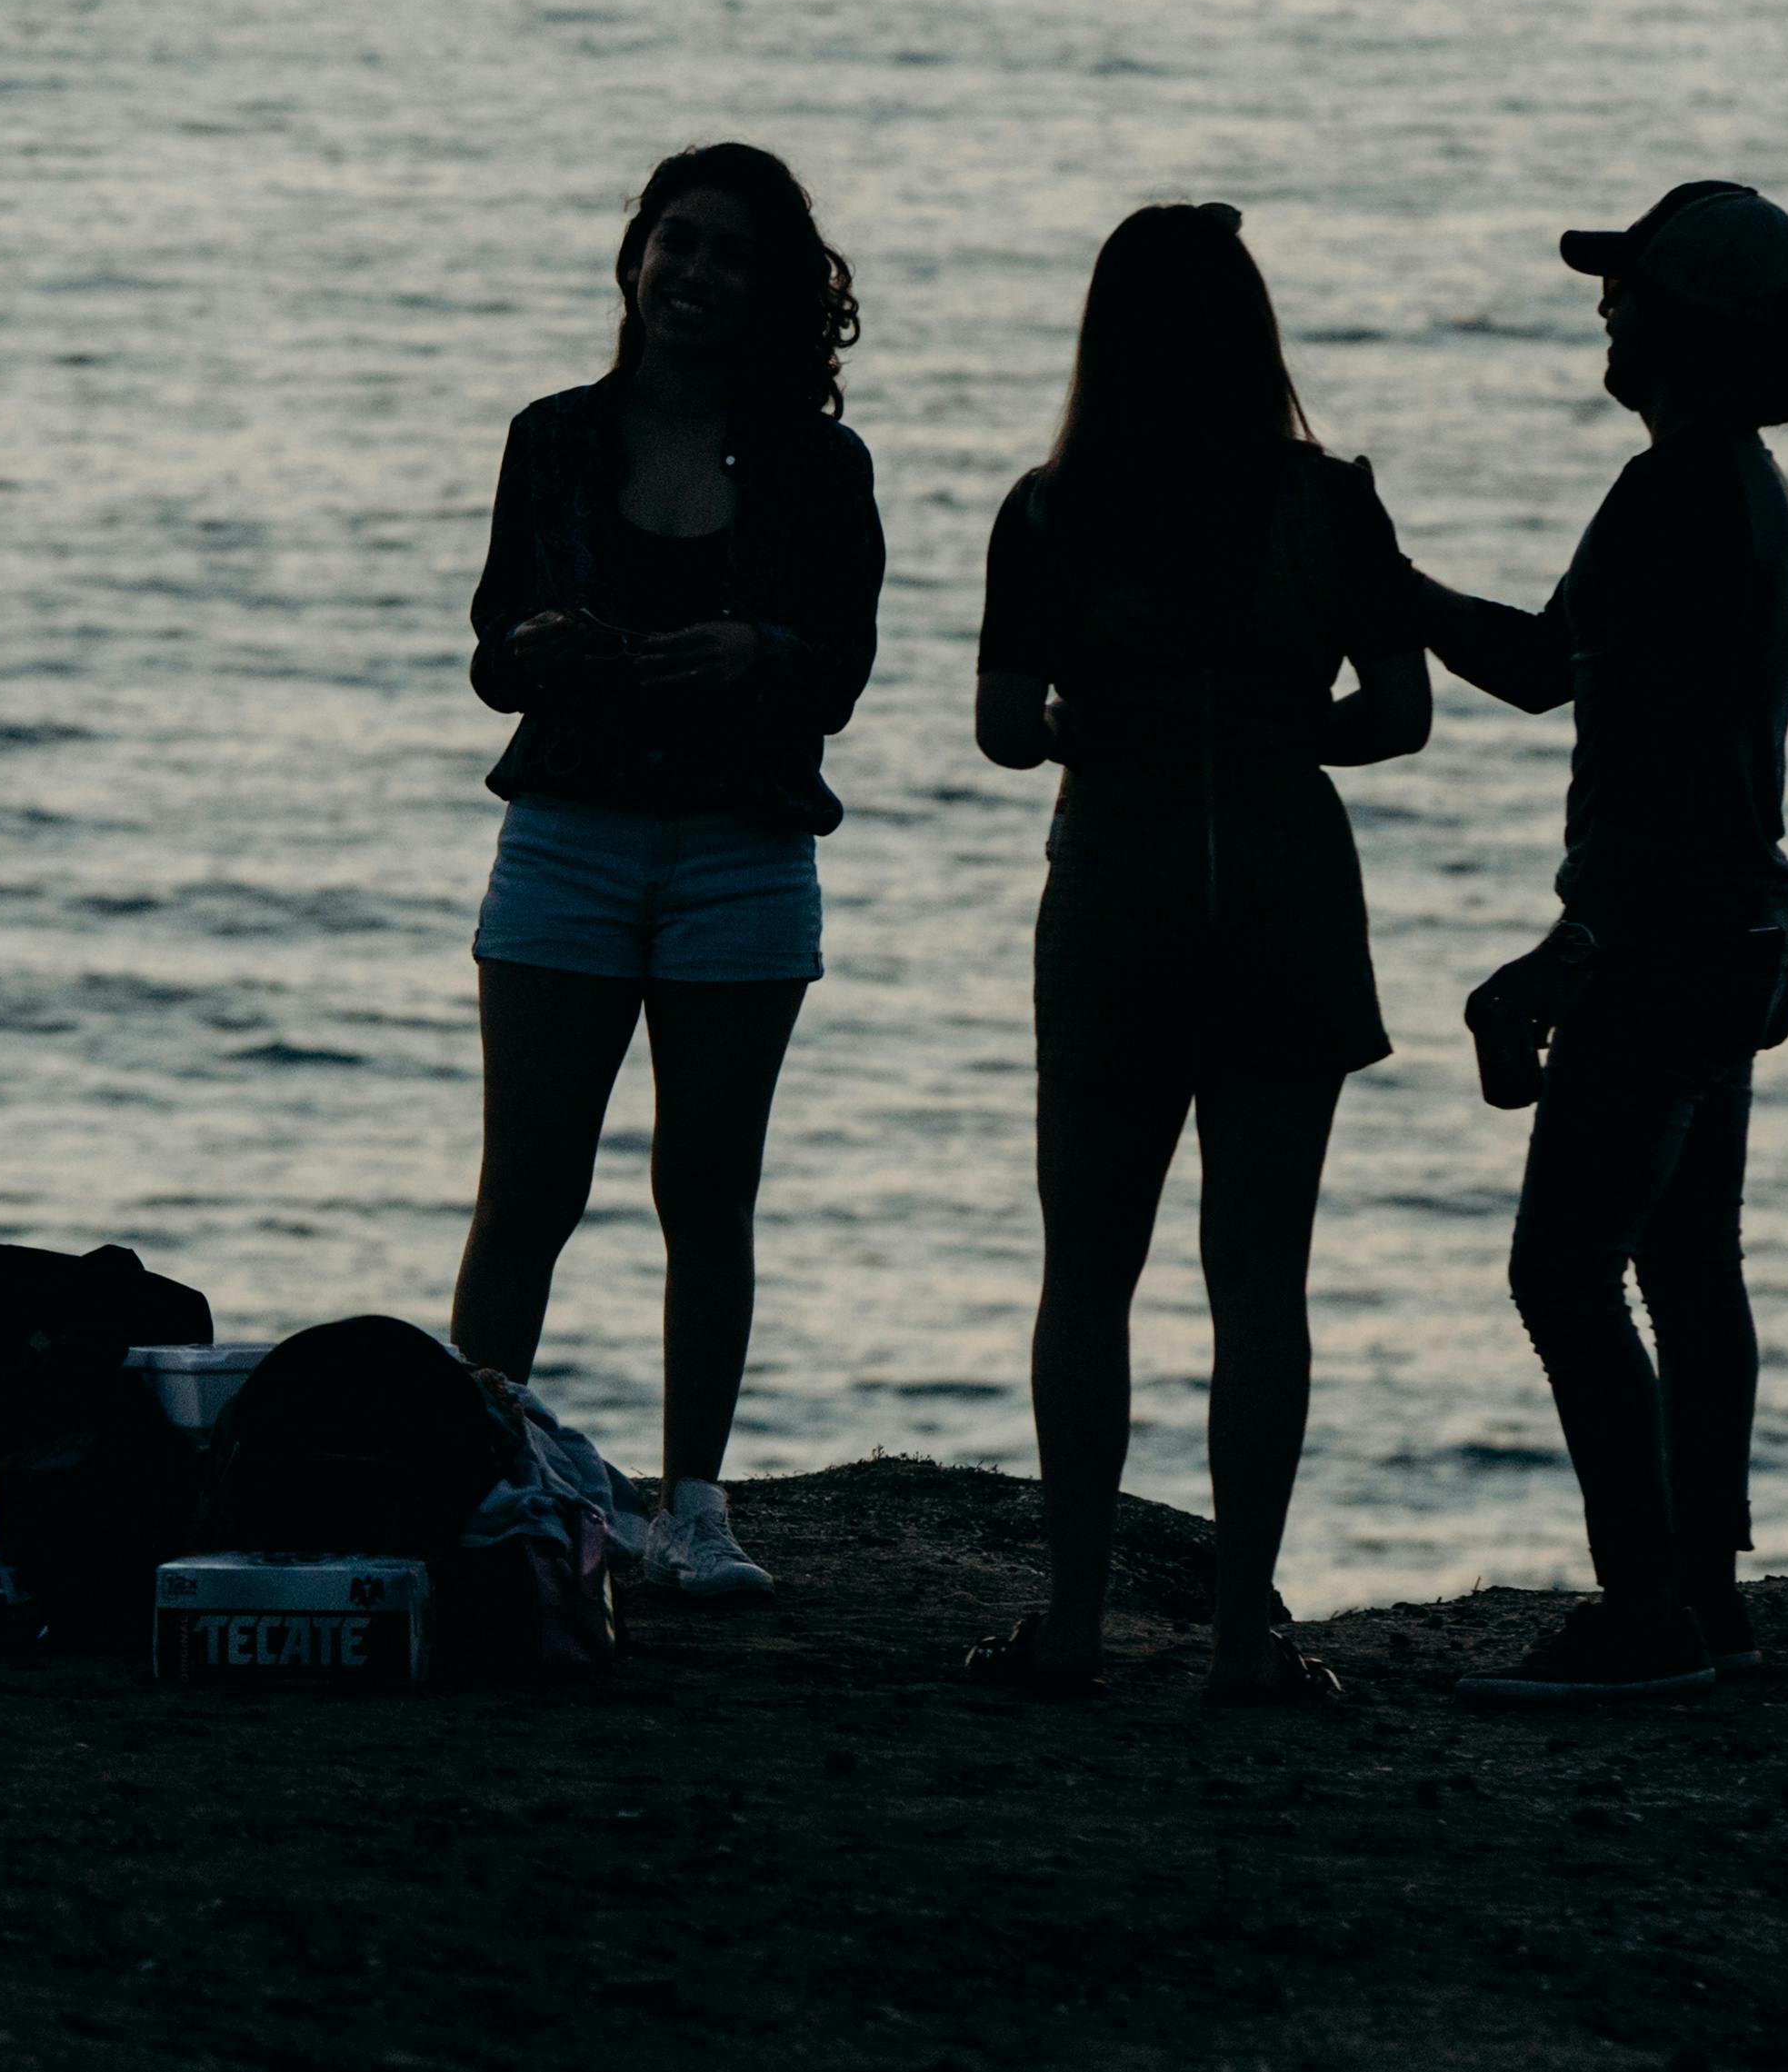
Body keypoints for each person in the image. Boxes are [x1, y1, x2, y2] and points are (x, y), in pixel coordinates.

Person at [963, 205, 1429, 1708]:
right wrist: (1289, 729)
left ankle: (1077, 1622)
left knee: (1086, 1276)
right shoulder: (1329, 501)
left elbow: (997, 723)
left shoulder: (1046, 511)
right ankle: (1240, 1644)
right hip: (1287, 893)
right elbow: (1401, 712)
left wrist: (1082, 728)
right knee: (1261, 1285)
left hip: (1115, 896)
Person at [1403, 181, 1788, 1708]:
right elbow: (1556, 678)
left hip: (1662, 947)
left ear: (1685, 326)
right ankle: (1707, 1597)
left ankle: (1644, 1610)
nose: (1603, 305)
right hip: (1740, 940)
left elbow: (1568, 708)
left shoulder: (1665, 496)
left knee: (1563, 1272)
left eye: (1627, 288)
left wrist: (1561, 954)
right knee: (1689, 1269)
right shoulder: (1737, 486)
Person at [447, 142, 884, 1605]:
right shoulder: (554, 435)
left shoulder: (822, 466)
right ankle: (483, 1478)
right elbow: (489, 651)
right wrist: (530, 650)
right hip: (566, 836)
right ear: (633, 256)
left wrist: (756, 652)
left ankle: (691, 1506)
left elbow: (843, 669)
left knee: (708, 1191)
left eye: (731, 256)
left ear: (774, 293)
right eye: (676, 243)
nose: (695, 275)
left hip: (742, 851)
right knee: (527, 1187)